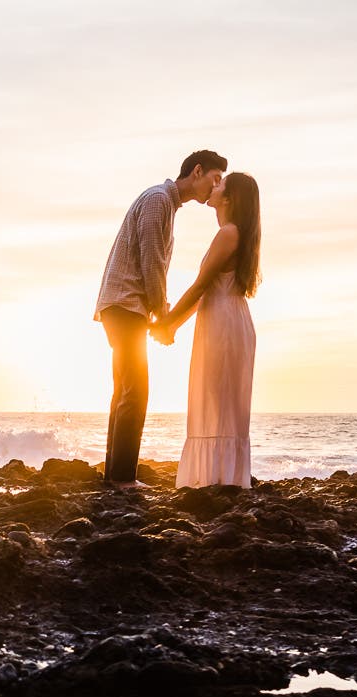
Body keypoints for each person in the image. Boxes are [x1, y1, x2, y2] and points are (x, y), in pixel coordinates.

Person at [93, 150, 227, 489]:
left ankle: (114, 475)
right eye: (214, 178)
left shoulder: (164, 203)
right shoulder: (158, 201)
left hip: (123, 304)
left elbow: (152, 262)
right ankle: (123, 478)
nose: (217, 187)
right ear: (197, 171)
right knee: (136, 390)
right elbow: (151, 261)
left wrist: (159, 311)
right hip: (126, 304)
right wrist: (163, 315)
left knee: (124, 389)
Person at [156, 172, 261, 489]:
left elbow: (201, 286)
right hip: (225, 318)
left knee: (218, 403)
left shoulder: (229, 233)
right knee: (218, 402)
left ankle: (215, 480)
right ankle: (221, 479)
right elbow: (206, 291)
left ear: (229, 199)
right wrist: (172, 325)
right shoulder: (236, 234)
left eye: (221, 185)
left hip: (223, 323)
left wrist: (167, 323)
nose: (214, 187)